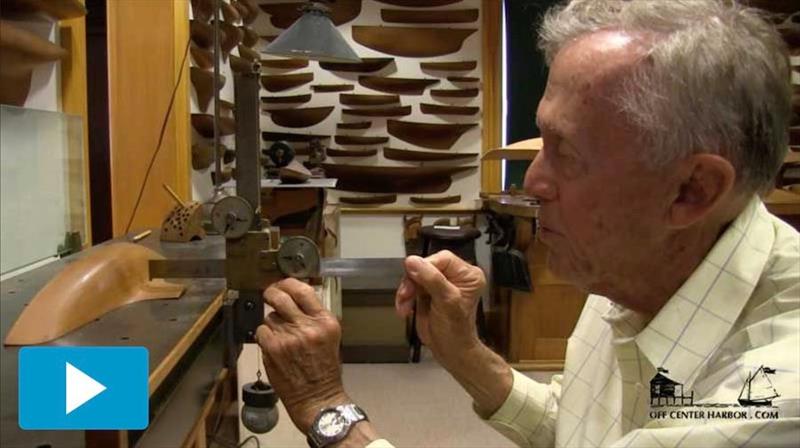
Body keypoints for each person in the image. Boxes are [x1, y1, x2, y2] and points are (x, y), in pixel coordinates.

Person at [255, 0, 800, 446]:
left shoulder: (771, 400)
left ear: (692, 190)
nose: (532, 182)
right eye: (541, 139)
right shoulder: (637, 266)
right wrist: (463, 352)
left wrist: (328, 407)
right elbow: (581, 426)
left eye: (565, 152)